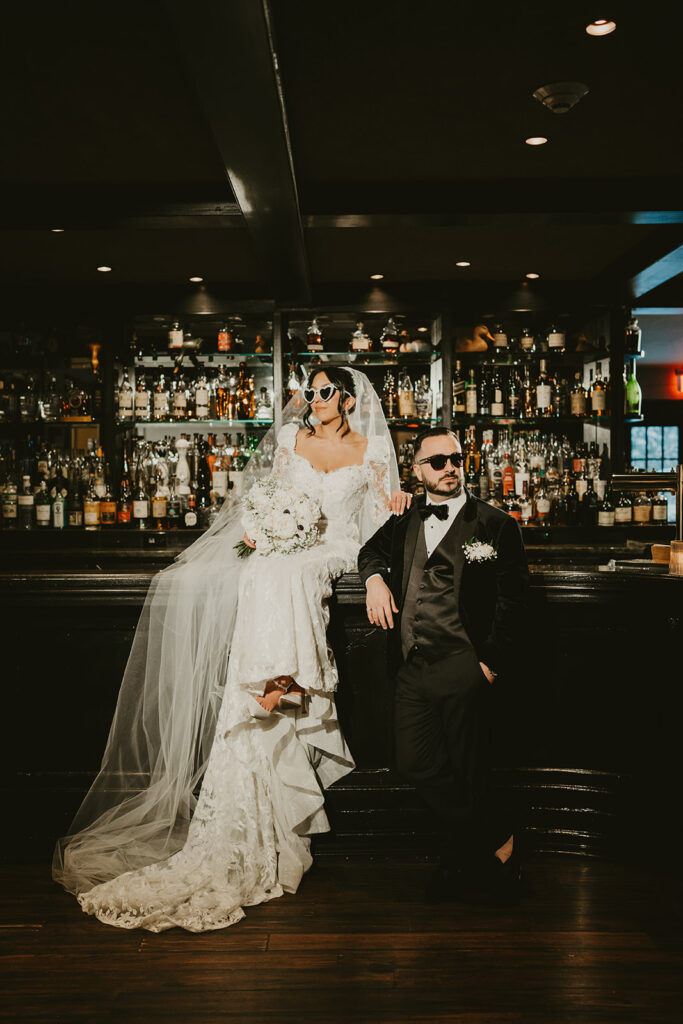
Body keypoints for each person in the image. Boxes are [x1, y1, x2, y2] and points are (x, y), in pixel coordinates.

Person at [53, 366, 408, 932]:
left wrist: (383, 542)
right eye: (306, 392)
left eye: (321, 392)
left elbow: (380, 522)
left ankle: (280, 691)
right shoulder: (291, 441)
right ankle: (270, 692)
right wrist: (264, 529)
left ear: (345, 398)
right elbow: (264, 500)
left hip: (334, 550)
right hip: (287, 550)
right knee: (267, 573)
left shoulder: (371, 450)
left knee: (292, 575)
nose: (309, 400)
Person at [358, 426, 529, 903]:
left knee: (469, 767)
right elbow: (369, 552)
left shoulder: (496, 524)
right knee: (414, 762)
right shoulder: (405, 516)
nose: (450, 467)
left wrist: (489, 662)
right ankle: (496, 839)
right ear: (418, 472)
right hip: (413, 663)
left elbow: (514, 600)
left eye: (455, 459)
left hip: (464, 661)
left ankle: (473, 869)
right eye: (438, 462)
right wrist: (374, 580)